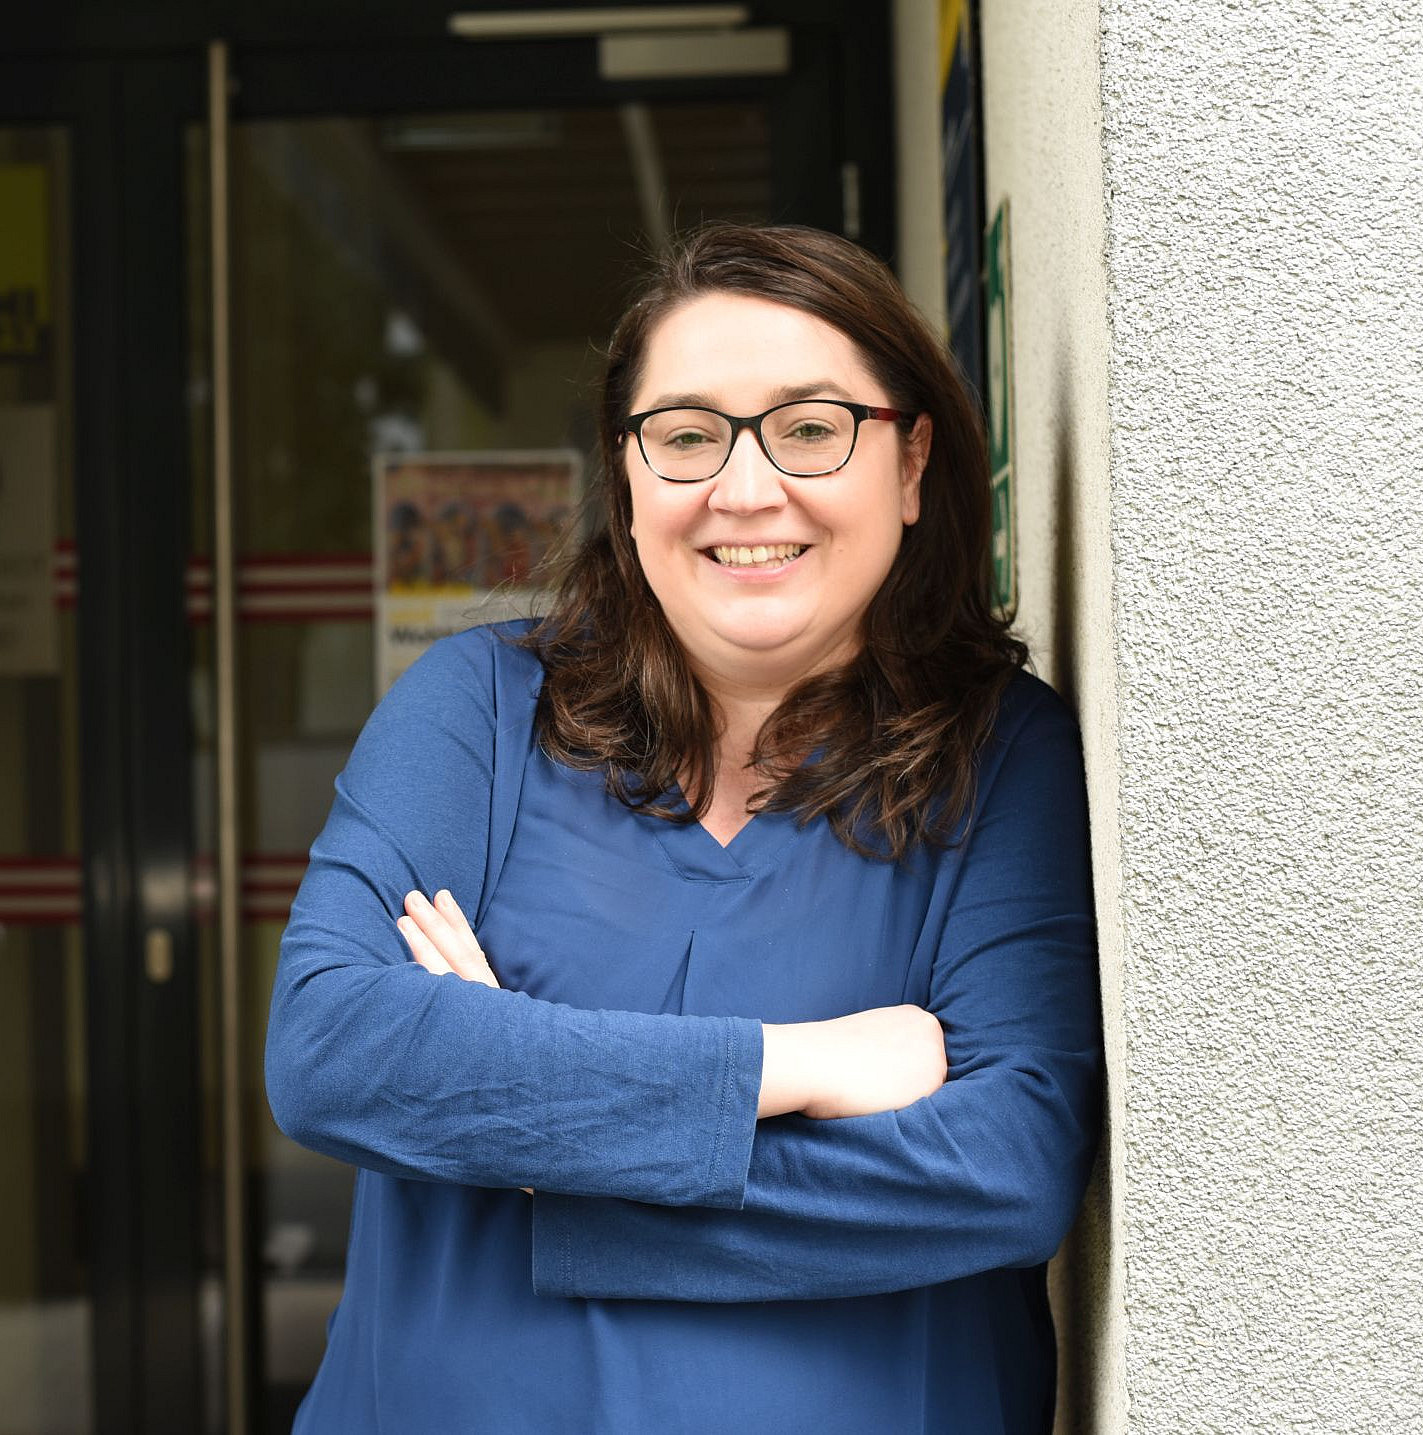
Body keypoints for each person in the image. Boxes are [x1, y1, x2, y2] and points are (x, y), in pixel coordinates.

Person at [265, 223, 1103, 1434]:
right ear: (626, 474)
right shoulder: (479, 714)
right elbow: (330, 1049)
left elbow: (1004, 1172)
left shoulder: (1001, 756)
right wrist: (794, 1066)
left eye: (811, 429)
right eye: (688, 433)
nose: (745, 487)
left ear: (911, 464)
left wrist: (524, 1148)